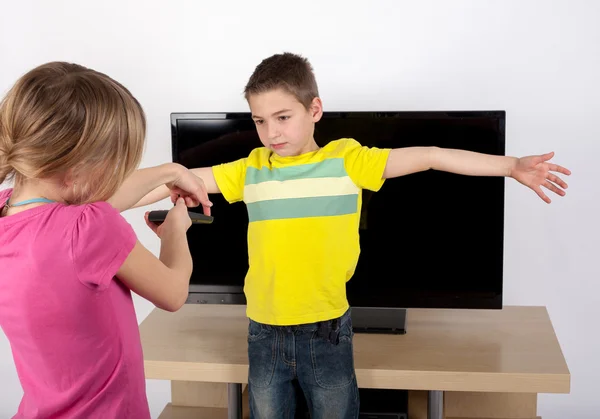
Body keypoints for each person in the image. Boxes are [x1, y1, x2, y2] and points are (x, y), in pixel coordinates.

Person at [141, 52, 571, 419]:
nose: (272, 132)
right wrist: (97, 199)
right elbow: (180, 178)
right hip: (264, 331)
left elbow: (431, 157)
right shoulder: (252, 168)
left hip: (327, 331)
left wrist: (510, 166)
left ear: (315, 109)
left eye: (284, 117)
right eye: (260, 120)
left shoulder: (346, 160)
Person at [0, 62, 211, 419]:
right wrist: (175, 231)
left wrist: (170, 172)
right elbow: (173, 293)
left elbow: (86, 206)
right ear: (78, 169)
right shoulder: (90, 226)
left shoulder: (10, 212)